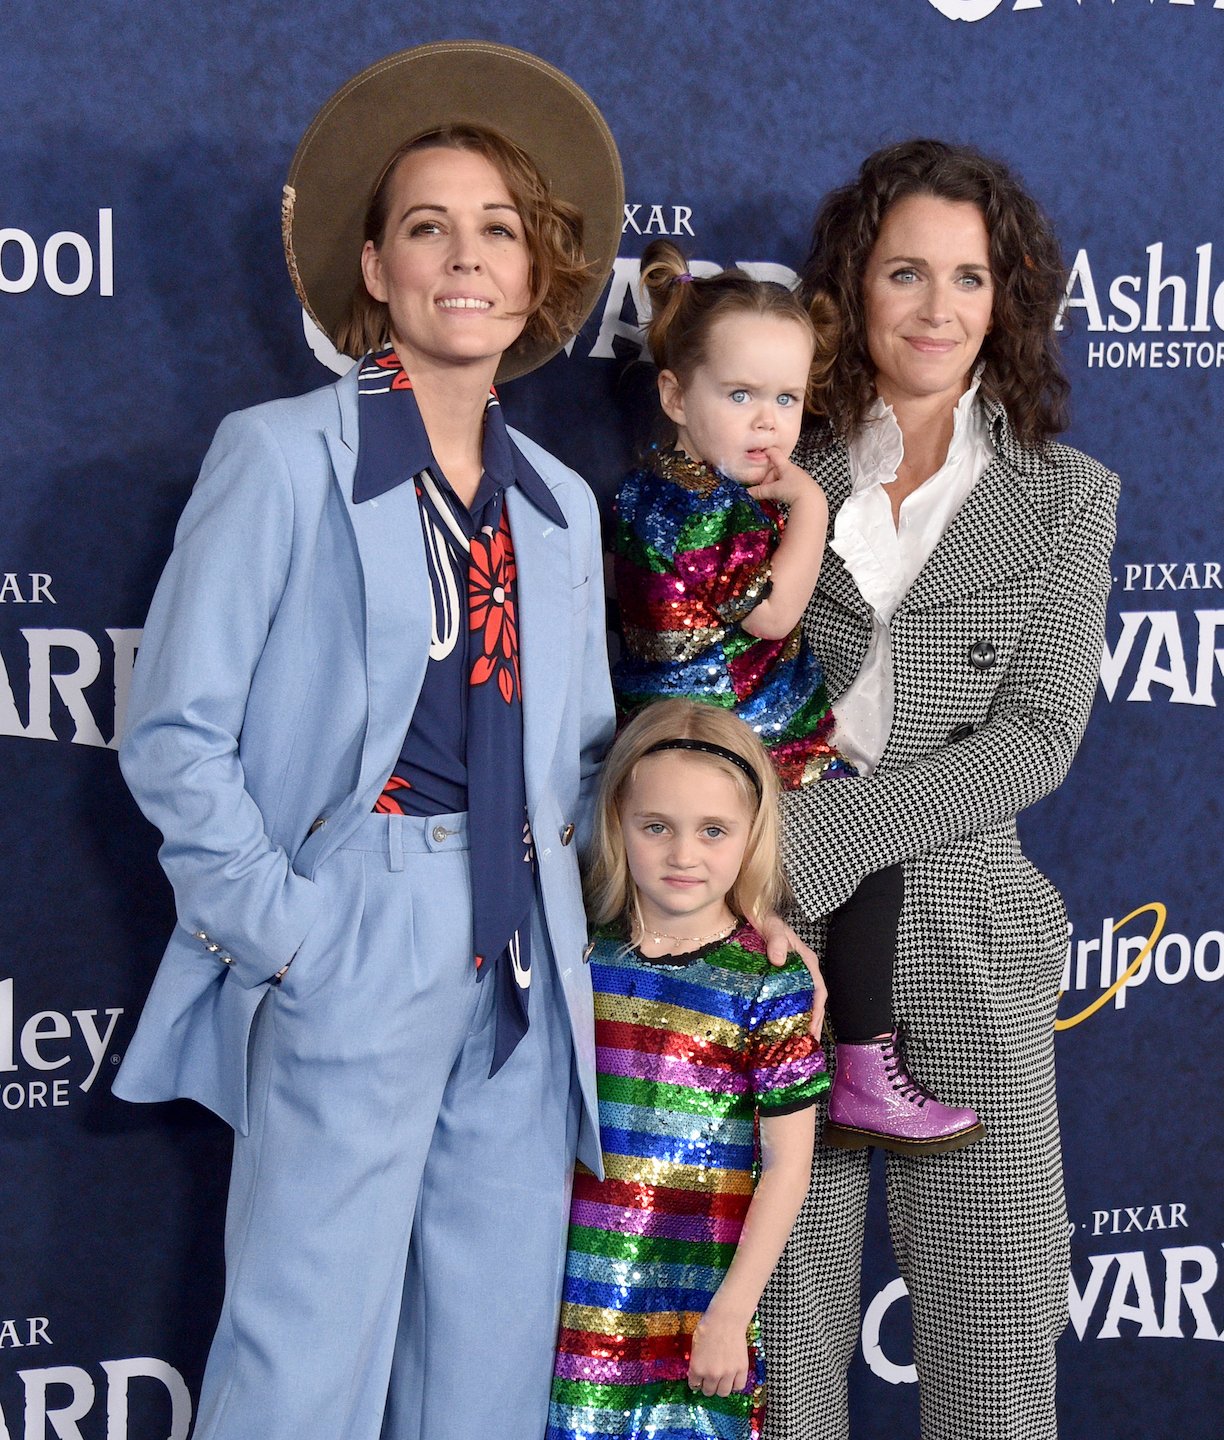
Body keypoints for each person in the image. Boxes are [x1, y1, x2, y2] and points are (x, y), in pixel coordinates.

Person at [110, 43, 627, 1440]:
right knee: (303, 1362)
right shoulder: (280, 456)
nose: (466, 257)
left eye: (499, 229)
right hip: (358, 930)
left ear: (538, 276)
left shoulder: (564, 506)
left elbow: (581, 754)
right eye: (427, 226)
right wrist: (292, 933)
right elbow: (173, 734)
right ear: (375, 269)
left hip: (523, 965)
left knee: (484, 1374)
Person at [757, 140, 1120, 1440]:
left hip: (966, 939)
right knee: (772, 1350)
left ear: (1007, 300)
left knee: (994, 1340)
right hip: (773, 946)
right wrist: (765, 860)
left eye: (969, 277)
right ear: (852, 289)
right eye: (905, 270)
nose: (936, 306)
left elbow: (1034, 740)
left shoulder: (1069, 502)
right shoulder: (767, 460)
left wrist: (825, 834)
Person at [612, 238, 982, 1155]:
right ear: (673, 397)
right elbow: (776, 617)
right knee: (863, 863)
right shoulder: (704, 509)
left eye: (786, 399)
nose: (768, 422)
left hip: (719, 737)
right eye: (739, 396)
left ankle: (825, 1070)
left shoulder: (662, 489)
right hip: (725, 745)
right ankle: (860, 1062)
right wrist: (810, 505)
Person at [547, 698, 827, 1440]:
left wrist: (732, 1313)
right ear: (617, 823)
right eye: (656, 827)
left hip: (692, 1315)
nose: (683, 855)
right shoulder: (580, 953)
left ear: (750, 836)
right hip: (563, 1303)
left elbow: (789, 1165)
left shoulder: (767, 985)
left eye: (713, 831)